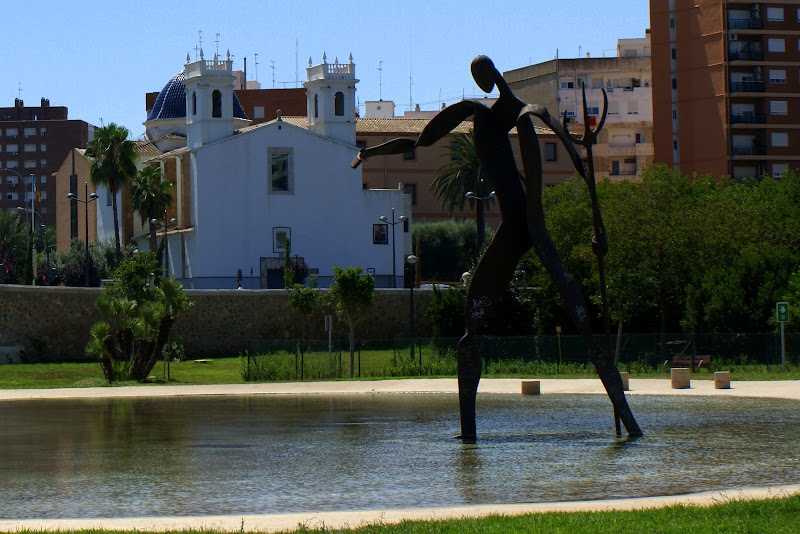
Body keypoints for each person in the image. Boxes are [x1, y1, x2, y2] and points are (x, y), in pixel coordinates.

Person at [354, 56, 640, 438]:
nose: (479, 82)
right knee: (472, 326)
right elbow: (421, 140)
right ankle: (468, 432)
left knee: (585, 326)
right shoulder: (476, 112)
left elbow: (579, 163)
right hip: (513, 229)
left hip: (530, 227)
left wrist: (599, 229)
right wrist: (370, 153)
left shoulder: (527, 114)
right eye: (475, 77)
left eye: (481, 76)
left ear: (492, 75)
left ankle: (630, 424)